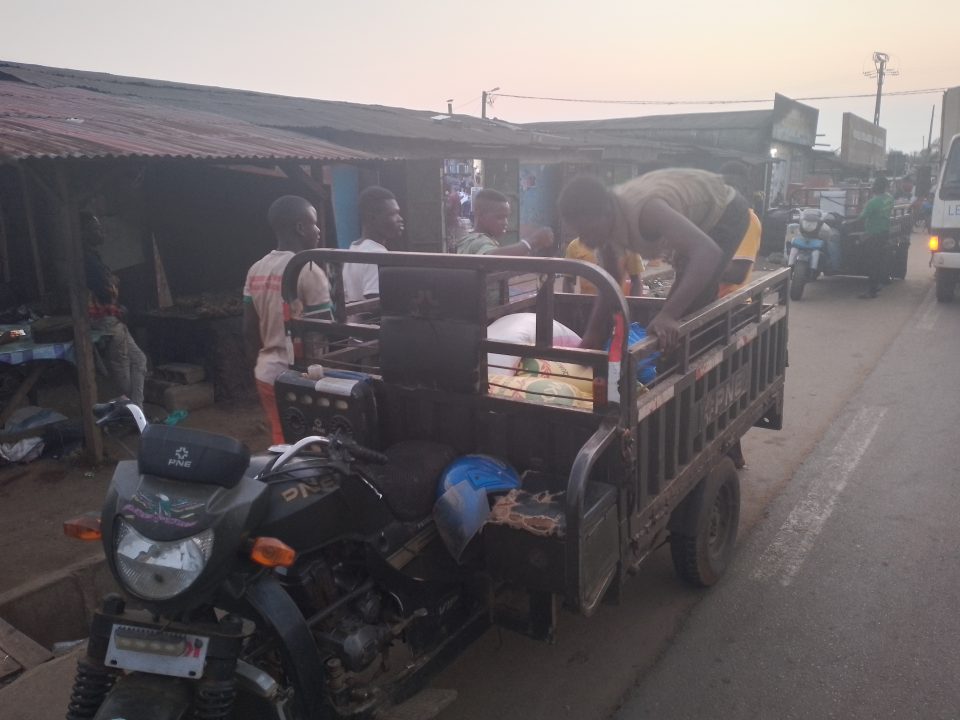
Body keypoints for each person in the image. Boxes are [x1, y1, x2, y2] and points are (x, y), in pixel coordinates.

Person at [558, 169, 753, 350]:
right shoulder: (605, 227)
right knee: (681, 301)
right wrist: (592, 336)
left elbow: (708, 253)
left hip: (725, 211)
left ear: (605, 213)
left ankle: (698, 359)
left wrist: (668, 315)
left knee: (691, 306)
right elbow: (610, 280)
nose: (585, 242)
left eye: (587, 232)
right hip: (697, 223)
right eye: (580, 235)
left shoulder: (645, 211)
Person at [243, 195, 331, 444]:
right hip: (302, 380)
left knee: (281, 438)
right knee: (306, 445)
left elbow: (249, 329)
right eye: (314, 223)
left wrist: (262, 363)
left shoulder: (256, 269)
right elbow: (326, 330)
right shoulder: (308, 270)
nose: (318, 230)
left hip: (266, 373)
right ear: (300, 227)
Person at [81, 211, 147, 407]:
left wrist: (111, 284)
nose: (102, 232)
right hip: (106, 321)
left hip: (112, 319)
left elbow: (107, 287)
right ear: (84, 233)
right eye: (96, 228)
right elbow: (105, 292)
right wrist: (112, 284)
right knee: (122, 369)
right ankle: (132, 411)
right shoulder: (88, 260)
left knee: (139, 360)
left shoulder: (93, 257)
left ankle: (137, 412)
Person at [342, 187, 404, 302]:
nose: (400, 219)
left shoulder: (354, 247)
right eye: (393, 214)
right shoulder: (377, 254)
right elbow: (376, 302)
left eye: (398, 213)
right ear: (372, 218)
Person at [455, 189, 554, 256]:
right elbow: (490, 260)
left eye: (507, 217)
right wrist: (531, 242)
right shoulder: (476, 241)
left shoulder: (476, 239)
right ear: (480, 214)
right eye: (500, 217)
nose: (505, 222)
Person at [848, 176, 894, 299]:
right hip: (884, 232)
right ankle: (878, 284)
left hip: (873, 234)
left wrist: (848, 223)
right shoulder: (889, 199)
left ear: (875, 187)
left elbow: (861, 217)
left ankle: (872, 291)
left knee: (871, 262)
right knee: (878, 261)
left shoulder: (873, 202)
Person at [563, 236, 644, 296]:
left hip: (617, 305)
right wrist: (570, 307)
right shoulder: (575, 245)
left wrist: (633, 308)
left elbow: (636, 281)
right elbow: (568, 280)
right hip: (586, 306)